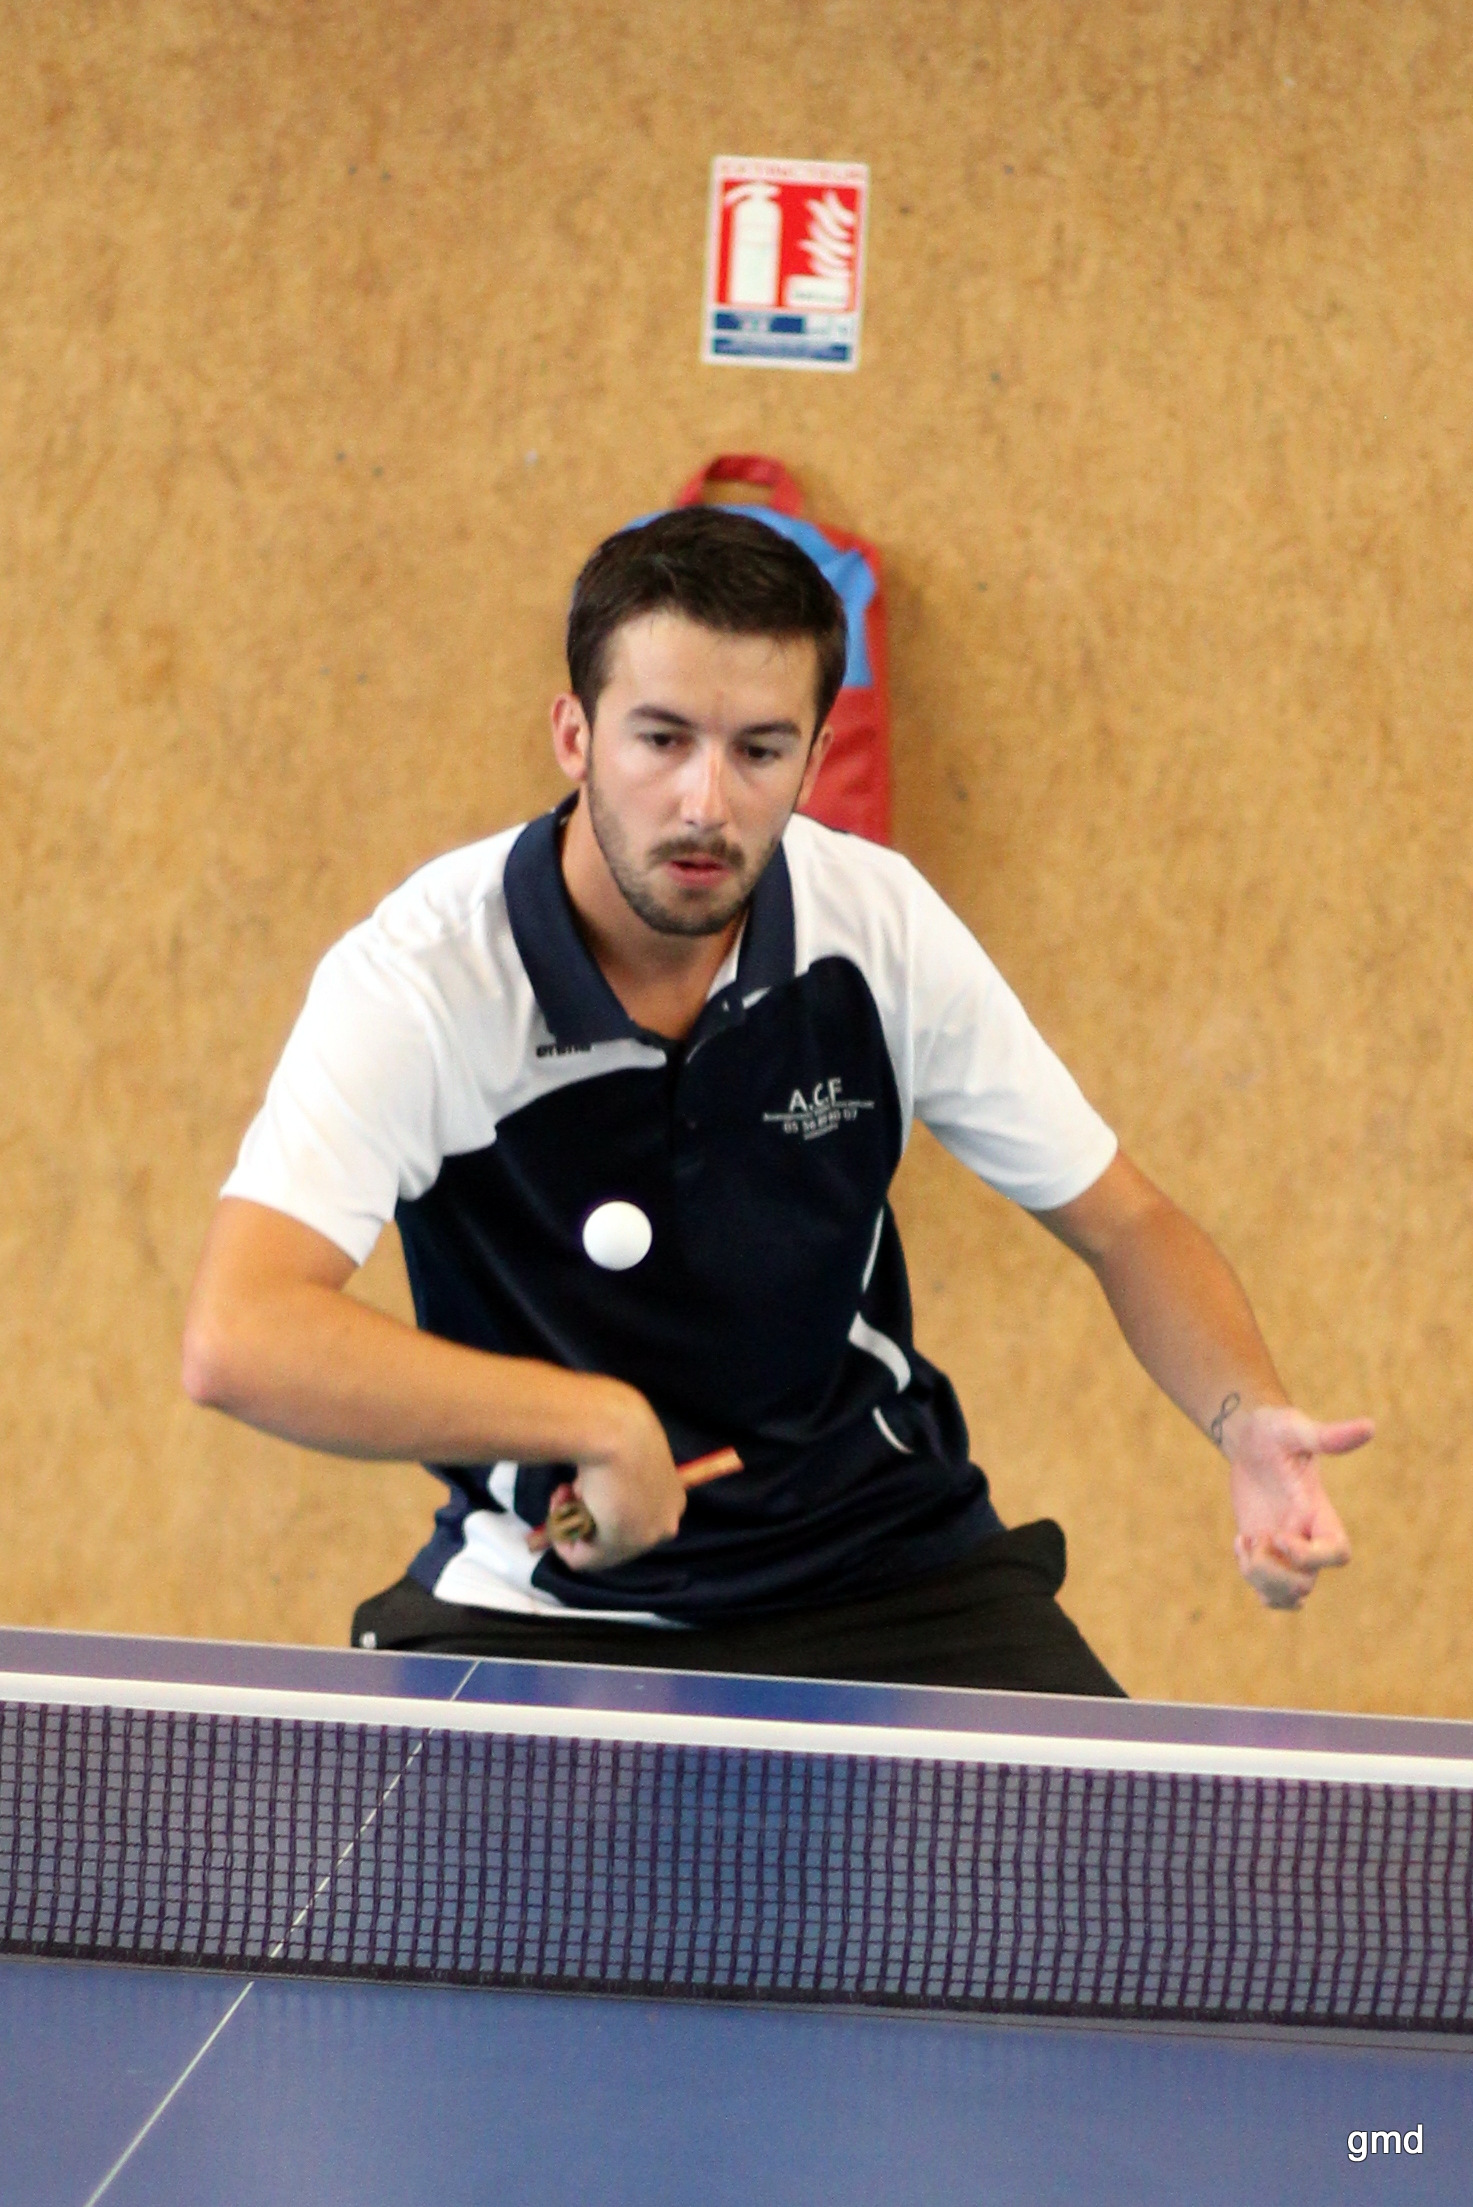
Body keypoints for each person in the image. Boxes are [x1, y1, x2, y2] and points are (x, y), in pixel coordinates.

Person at [181, 507, 1372, 1692]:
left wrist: (1246, 1417)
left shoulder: (878, 929)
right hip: (551, 1592)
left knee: (1104, 1824)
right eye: (661, 739)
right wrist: (590, 1420)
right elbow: (241, 1333)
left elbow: (1126, 1220)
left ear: (813, 757)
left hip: (887, 1566)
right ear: (574, 735)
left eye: (759, 750)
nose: (706, 802)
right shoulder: (425, 979)